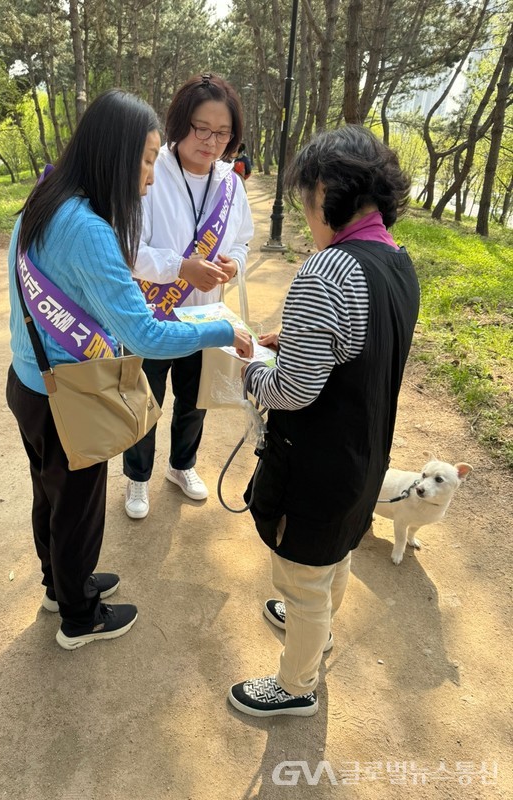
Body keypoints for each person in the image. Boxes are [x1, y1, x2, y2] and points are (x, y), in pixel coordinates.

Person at [5, 89, 253, 651]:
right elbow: (146, 334)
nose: (150, 173)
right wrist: (223, 328)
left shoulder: (47, 197)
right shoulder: (90, 229)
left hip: (29, 380)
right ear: (113, 155)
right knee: (78, 510)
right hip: (72, 394)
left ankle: (59, 585)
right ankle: (79, 617)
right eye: (145, 159)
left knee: (50, 496)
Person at [228, 126, 420, 716]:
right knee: (337, 551)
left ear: (325, 191)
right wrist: (295, 335)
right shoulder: (396, 261)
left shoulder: (326, 270)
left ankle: (295, 686)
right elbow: (363, 342)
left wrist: (246, 372)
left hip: (316, 464)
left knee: (303, 573)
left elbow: (292, 389)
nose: (306, 212)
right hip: (365, 454)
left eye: (305, 198)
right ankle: (319, 624)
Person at [123, 73, 254, 519]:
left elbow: (243, 240)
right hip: (153, 316)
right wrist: (182, 267)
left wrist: (234, 263)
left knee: (194, 401)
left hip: (205, 315)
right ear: (181, 121)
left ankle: (182, 466)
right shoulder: (149, 170)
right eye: (202, 128)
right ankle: (137, 478)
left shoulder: (231, 184)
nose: (211, 141)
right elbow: (130, 251)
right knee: (146, 400)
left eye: (223, 133)